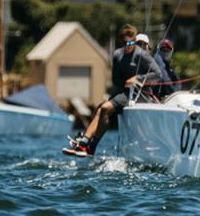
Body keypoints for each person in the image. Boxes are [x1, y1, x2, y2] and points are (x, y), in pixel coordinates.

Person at [62, 25, 161, 157]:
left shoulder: (142, 55)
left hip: (138, 94)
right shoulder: (117, 55)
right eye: (126, 43)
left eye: (132, 42)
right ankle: (85, 145)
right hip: (122, 93)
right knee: (99, 110)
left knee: (105, 108)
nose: (129, 45)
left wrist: (137, 78)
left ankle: (89, 145)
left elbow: (157, 74)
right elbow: (115, 79)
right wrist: (123, 83)